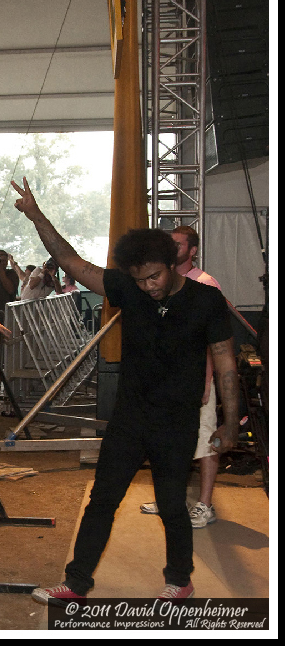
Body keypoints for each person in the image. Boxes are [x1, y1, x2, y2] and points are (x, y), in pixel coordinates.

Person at [11, 177, 239, 603]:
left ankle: (180, 579)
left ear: (172, 266)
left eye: (154, 277)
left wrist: (229, 424)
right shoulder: (128, 289)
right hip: (130, 416)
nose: (148, 286)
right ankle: (76, 583)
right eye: (139, 280)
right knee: (102, 498)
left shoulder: (205, 301)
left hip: (178, 419)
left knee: (172, 504)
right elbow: (71, 260)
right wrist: (35, 213)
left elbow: (226, 365)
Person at [139, 225, 226, 528]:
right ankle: (169, 498)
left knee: (204, 441)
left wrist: (205, 380)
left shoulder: (205, 285)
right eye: (169, 243)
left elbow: (214, 342)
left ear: (192, 251)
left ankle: (205, 504)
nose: (171, 248)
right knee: (165, 439)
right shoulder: (162, 283)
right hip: (167, 380)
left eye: (178, 244)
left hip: (198, 378)